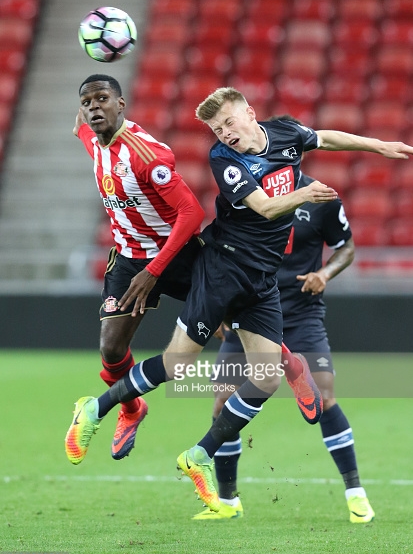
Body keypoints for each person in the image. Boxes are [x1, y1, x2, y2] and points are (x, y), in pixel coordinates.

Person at [65, 88, 413, 516]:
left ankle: (199, 455)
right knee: (179, 364)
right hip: (224, 269)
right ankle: (96, 408)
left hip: (262, 278)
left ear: (250, 114)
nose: (224, 134)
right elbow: (266, 208)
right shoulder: (224, 160)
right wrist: (307, 194)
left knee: (265, 378)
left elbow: (323, 136)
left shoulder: (284, 132)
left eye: (229, 123)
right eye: (216, 129)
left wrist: (376, 145)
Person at [193, 115, 374, 524]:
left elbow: (346, 247)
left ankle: (355, 492)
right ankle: (227, 501)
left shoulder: (320, 196)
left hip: (300, 313)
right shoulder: (246, 197)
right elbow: (223, 253)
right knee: (222, 401)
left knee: (323, 397)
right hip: (251, 314)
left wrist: (325, 274)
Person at [64, 74, 205, 464]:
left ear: (121, 104)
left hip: (175, 255)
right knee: (111, 347)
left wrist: (155, 270)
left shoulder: (146, 155)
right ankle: (131, 409)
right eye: (88, 101)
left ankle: (291, 367)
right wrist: (84, 114)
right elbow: (79, 127)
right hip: (128, 257)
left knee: (234, 322)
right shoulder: (93, 139)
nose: (94, 107)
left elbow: (192, 212)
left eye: (103, 99)